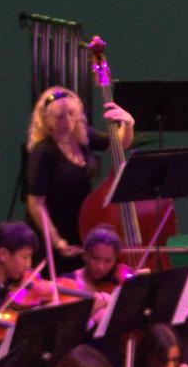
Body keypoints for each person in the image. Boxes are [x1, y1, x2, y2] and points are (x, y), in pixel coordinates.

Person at [25, 85, 135, 258]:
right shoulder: (43, 151)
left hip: (81, 226)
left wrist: (128, 124)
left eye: (71, 113)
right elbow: (36, 204)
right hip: (54, 232)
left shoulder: (83, 135)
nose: (68, 121)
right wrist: (56, 240)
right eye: (60, 117)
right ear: (47, 120)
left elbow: (119, 144)